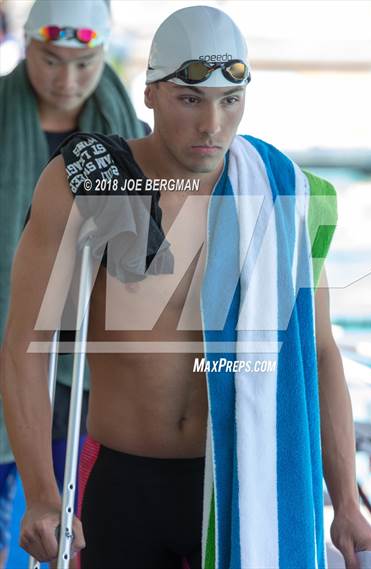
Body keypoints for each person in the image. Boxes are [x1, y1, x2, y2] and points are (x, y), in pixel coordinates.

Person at [0, 5, 371, 569]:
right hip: (121, 479)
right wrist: (41, 492)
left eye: (230, 100)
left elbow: (320, 350)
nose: (212, 125)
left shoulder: (277, 192)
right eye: (190, 99)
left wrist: (346, 502)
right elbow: (24, 344)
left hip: (236, 481)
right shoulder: (88, 185)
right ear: (152, 93)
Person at [0, 0, 150, 566]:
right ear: (28, 47)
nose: (67, 80)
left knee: (73, 528)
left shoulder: (131, 137)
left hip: (77, 366)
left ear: (103, 55)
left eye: (84, 63)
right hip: (7, 341)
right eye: (51, 60)